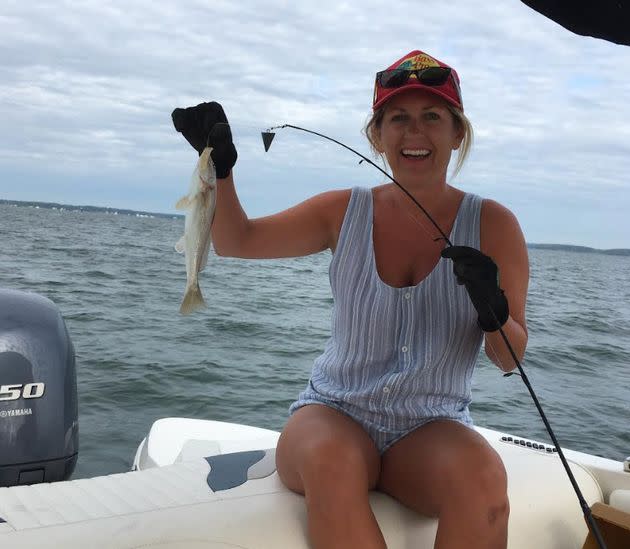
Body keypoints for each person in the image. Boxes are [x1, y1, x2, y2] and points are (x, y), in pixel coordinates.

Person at [172, 49, 529, 549]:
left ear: (457, 133)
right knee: (332, 464)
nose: (415, 133)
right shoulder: (344, 211)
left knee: (485, 485)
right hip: (333, 413)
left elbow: (510, 359)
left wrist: (495, 311)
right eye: (398, 119)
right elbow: (239, 242)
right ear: (377, 136)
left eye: (432, 117)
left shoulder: (495, 225)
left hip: (432, 426)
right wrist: (220, 168)